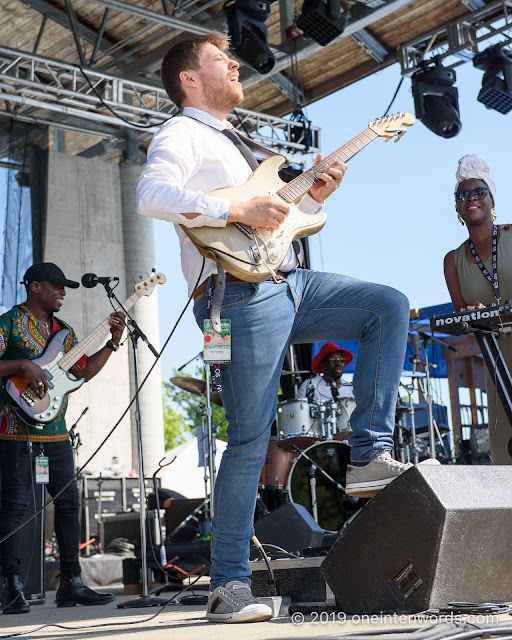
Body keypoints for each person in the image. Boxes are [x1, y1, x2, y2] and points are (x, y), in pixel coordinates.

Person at [137, 33, 416, 623]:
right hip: (236, 296)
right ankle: (229, 587)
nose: (235, 65)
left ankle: (369, 454)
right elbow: (153, 195)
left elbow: (276, 218)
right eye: (221, 60)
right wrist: (236, 210)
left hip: (288, 282)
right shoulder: (181, 133)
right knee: (248, 442)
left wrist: (313, 192)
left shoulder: (238, 144)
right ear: (190, 79)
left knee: (388, 305)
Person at [0, 262, 125, 613]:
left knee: (69, 506)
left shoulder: (65, 333)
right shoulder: (8, 324)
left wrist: (112, 344)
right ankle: (10, 585)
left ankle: (71, 582)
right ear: (35, 286)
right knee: (14, 508)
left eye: (65, 287)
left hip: (56, 433)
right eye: (56, 286)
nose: (63, 292)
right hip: (14, 431)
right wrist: (21, 365)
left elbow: (82, 372)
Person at [444, 154, 512, 464]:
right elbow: (461, 319)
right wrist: (473, 313)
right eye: (463, 194)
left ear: (491, 199)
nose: (470, 197)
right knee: (504, 452)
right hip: (497, 363)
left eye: (478, 191)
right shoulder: (452, 260)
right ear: (457, 207)